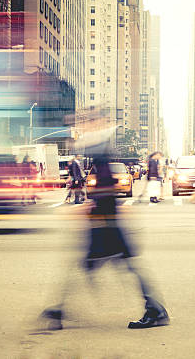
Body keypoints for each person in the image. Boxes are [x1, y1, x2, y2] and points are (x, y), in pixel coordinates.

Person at [39, 112, 169, 330]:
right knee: (113, 265)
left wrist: (92, 210)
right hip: (107, 221)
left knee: (92, 265)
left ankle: (58, 312)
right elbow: (104, 188)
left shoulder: (100, 151)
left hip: (106, 224)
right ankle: (155, 309)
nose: (83, 128)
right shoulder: (99, 155)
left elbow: (106, 189)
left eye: (88, 123)